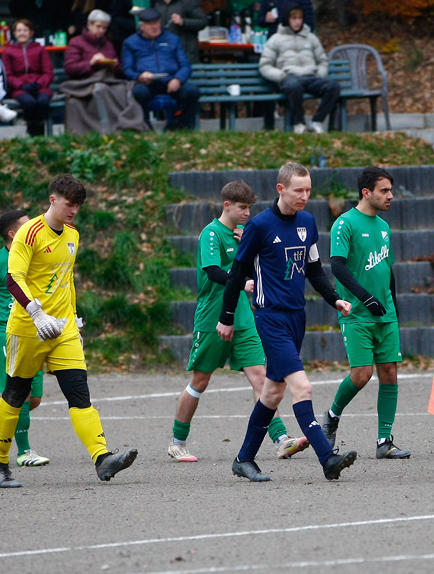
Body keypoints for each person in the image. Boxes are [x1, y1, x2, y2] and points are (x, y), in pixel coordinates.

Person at [0, 175, 137, 488]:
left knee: (79, 391)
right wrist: (37, 313)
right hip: (28, 327)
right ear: (52, 199)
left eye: (78, 206)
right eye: (69, 204)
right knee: (16, 394)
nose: (74, 211)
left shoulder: (73, 235)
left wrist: (75, 319)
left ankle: (102, 457)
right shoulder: (29, 233)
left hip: (63, 328)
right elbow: (14, 278)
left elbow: (66, 279)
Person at [218, 162, 358, 482]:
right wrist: (226, 316)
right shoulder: (260, 226)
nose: (305, 196)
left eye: (308, 190)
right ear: (281, 189)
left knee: (271, 394)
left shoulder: (308, 222)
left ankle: (243, 459)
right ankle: (328, 457)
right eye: (298, 190)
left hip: (298, 318)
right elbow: (237, 273)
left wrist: (333, 297)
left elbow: (313, 269)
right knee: (302, 387)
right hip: (270, 318)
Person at [169, 180, 309, 463]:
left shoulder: (244, 234)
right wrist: (243, 281)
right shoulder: (211, 234)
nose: (247, 213)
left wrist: (248, 247)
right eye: (242, 208)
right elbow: (211, 271)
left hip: (244, 317)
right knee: (200, 380)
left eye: (250, 208)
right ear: (227, 205)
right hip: (212, 318)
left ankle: (281, 439)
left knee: (262, 377)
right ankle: (177, 442)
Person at [319, 167, 410, 460]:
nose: (390, 196)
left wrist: (392, 304)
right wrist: (365, 297)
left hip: (385, 314)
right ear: (366, 192)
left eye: (390, 190)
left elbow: (387, 269)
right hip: (357, 313)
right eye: (384, 190)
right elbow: (338, 266)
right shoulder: (344, 224)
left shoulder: (384, 227)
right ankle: (332, 416)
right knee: (361, 375)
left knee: (390, 374)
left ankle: (384, 440)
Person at [0, 210, 51, 468]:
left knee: (34, 398)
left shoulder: (38, 258)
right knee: (21, 394)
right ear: (13, 233)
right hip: (4, 334)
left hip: (34, 332)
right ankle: (24, 451)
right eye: (28, 226)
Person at [259, 5, 339, 134]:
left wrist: (319, 74)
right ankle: (299, 123)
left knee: (333, 86)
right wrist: (281, 76)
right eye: (293, 18)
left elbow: (322, 61)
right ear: (287, 19)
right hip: (290, 78)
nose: (297, 22)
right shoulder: (276, 39)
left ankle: (317, 122)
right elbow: (265, 65)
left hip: (311, 76)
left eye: (300, 18)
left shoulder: (311, 38)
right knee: (294, 87)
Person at [62, 10, 143, 134]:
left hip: (108, 80)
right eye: (98, 27)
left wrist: (114, 65)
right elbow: (70, 68)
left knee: (126, 89)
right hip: (84, 82)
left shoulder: (108, 44)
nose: (101, 31)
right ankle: (108, 129)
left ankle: (126, 125)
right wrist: (90, 63)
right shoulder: (76, 42)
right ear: (89, 25)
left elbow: (119, 71)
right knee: (101, 90)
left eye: (104, 28)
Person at [122, 8, 200, 130]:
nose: (154, 27)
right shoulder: (130, 43)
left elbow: (185, 65)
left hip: (171, 80)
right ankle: (145, 128)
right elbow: (127, 69)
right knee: (139, 92)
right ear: (141, 26)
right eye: (150, 24)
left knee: (193, 91)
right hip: (148, 83)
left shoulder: (173, 39)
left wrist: (178, 79)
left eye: (156, 23)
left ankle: (182, 128)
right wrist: (139, 76)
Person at [1, 18, 54, 137]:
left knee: (43, 101)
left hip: (39, 85)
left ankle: (37, 129)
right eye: (19, 30)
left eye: (25, 30)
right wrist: (21, 85)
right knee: (29, 102)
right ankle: (34, 131)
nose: (22, 33)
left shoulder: (40, 49)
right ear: (14, 33)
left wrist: (39, 84)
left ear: (31, 33)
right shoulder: (9, 51)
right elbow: (8, 75)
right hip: (20, 88)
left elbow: (48, 72)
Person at [153, 0, 208, 64]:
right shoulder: (158, 1)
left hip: (186, 52)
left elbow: (203, 21)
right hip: (165, 53)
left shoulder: (189, 0)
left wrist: (183, 22)